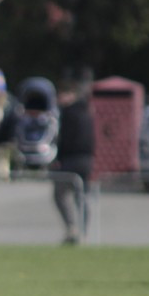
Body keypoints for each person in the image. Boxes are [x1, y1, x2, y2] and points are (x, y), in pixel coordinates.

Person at [52, 71, 97, 244]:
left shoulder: (69, 113)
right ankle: (83, 232)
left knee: (60, 194)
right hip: (87, 160)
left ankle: (72, 228)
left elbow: (66, 140)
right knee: (82, 197)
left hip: (72, 160)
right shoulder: (87, 111)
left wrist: (59, 159)